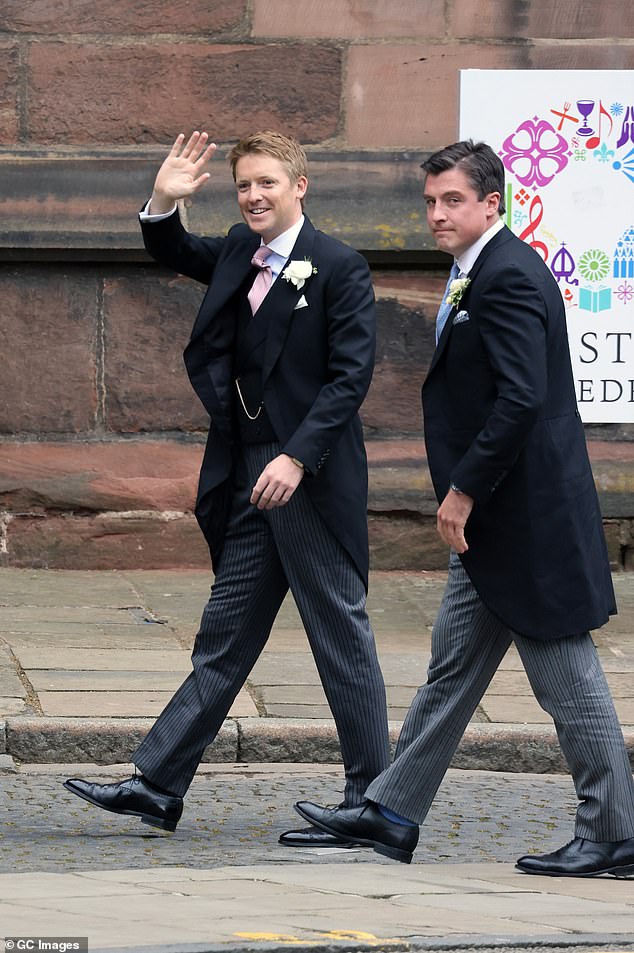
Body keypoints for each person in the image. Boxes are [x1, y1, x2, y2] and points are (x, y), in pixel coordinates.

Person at [295, 140, 634, 877]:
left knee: (566, 675)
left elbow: (520, 399)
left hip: (523, 520)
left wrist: (464, 489)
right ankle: (390, 810)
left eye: (453, 200)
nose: (438, 213)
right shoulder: (479, 268)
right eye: (430, 201)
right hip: (494, 525)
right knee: (452, 671)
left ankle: (613, 832)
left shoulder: (507, 275)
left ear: (492, 203)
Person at [64, 130, 390, 845]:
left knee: (339, 634)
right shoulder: (241, 254)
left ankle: (373, 799)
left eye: (267, 182)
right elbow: (173, 249)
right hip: (246, 472)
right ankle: (157, 785)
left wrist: (298, 458)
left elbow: (349, 379)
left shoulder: (339, 266)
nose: (253, 195)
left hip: (306, 476)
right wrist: (162, 199)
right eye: (243, 185)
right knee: (226, 632)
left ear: (299, 186)